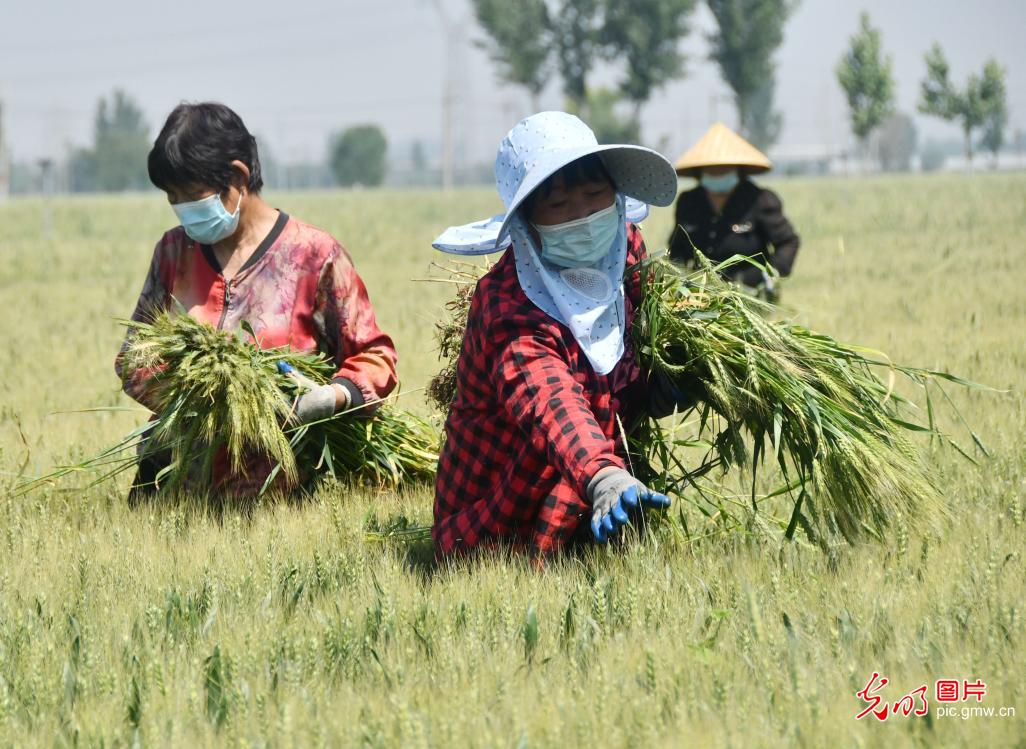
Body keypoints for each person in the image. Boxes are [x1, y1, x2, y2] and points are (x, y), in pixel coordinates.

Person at [430, 111, 693, 560]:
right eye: (558, 207)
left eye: (595, 195)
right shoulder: (508, 306)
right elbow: (549, 399)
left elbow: (635, 347)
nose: (583, 216)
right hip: (500, 516)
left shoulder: (625, 248)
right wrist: (603, 475)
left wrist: (667, 381)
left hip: (590, 486)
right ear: (527, 221)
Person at [117, 102, 398, 497]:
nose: (182, 210)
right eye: (172, 198)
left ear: (237, 177)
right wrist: (204, 404)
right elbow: (134, 358)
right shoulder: (173, 254)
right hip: (176, 486)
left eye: (191, 195)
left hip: (279, 490)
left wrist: (329, 396)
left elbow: (374, 356)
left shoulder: (313, 256)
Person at [668, 123, 800, 298]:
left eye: (724, 168)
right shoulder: (688, 202)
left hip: (751, 295)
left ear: (739, 170)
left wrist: (770, 274)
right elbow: (677, 250)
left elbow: (788, 242)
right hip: (702, 296)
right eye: (711, 168)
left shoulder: (759, 200)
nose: (718, 173)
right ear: (700, 171)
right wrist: (679, 283)